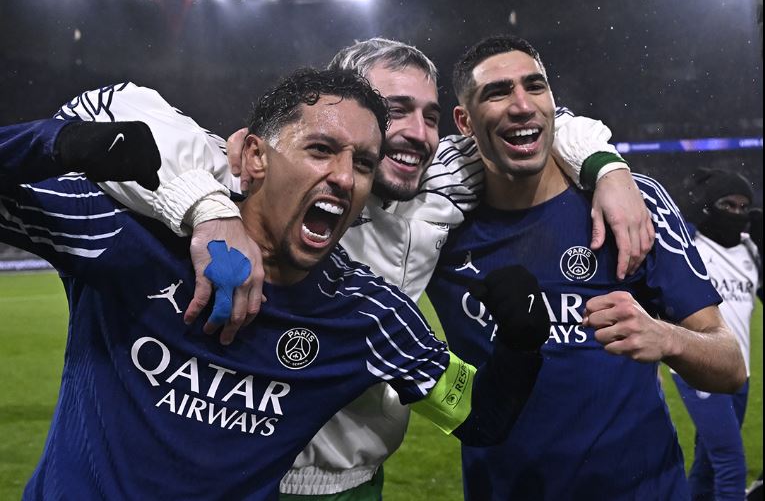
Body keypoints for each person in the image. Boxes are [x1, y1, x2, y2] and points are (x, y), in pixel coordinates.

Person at [52, 38, 655, 499]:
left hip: (351, 480)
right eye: (394, 111)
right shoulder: (246, 171)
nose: (417, 134)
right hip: (225, 469)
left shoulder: (436, 182)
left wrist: (607, 168)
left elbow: (533, 118)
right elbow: (103, 104)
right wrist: (209, 209)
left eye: (431, 116)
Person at [423, 35, 747, 500]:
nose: (522, 105)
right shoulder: (437, 230)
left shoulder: (636, 205)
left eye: (535, 86)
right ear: (464, 121)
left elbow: (729, 365)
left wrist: (666, 337)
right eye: (497, 92)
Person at [671, 168, 762, 501]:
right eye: (727, 204)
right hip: (699, 364)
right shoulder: (691, 244)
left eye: (743, 206)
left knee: (708, 465)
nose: (736, 213)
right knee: (730, 464)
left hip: (739, 371)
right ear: (710, 205)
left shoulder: (751, 251)